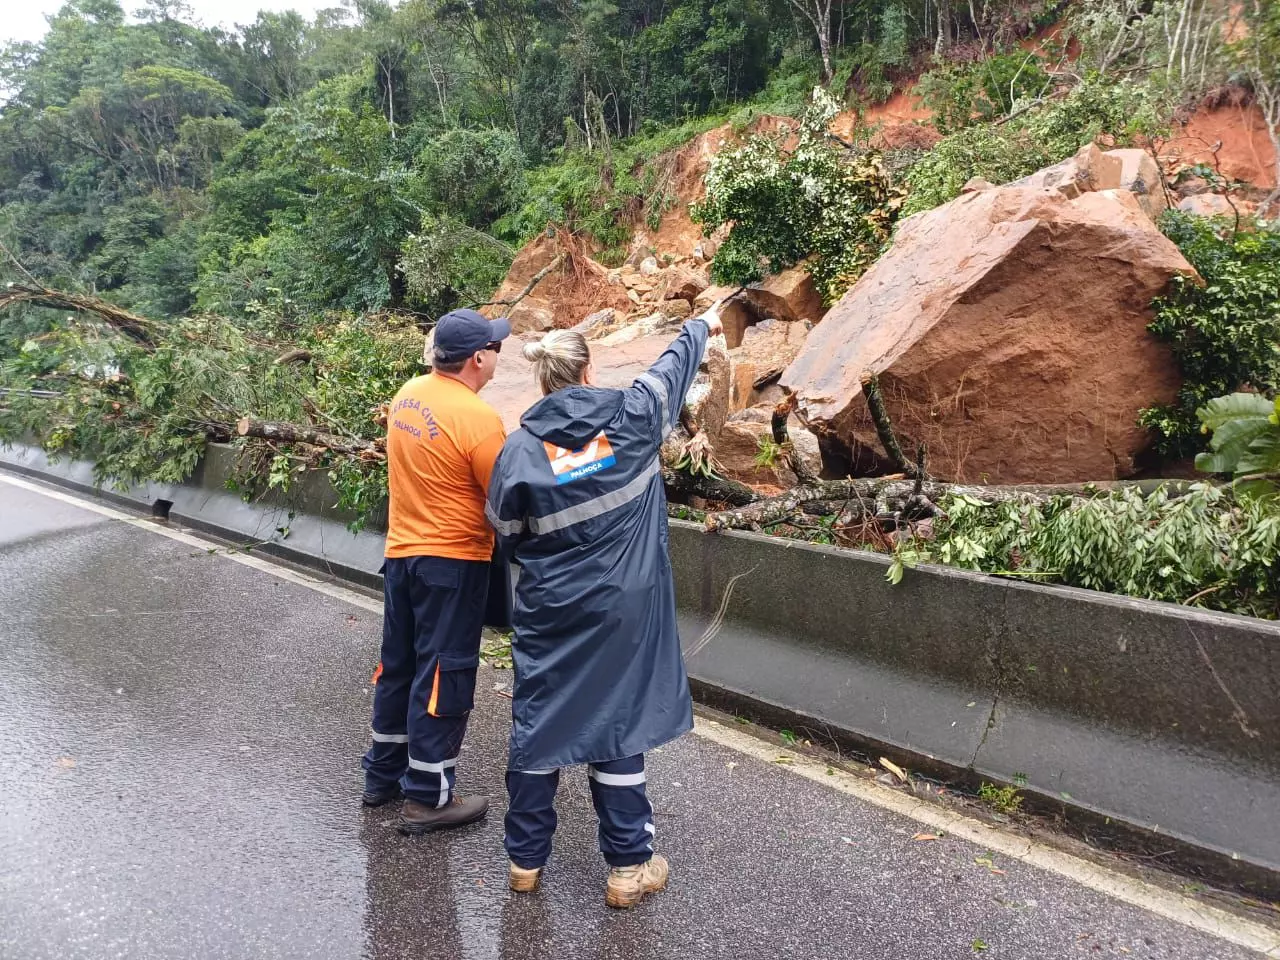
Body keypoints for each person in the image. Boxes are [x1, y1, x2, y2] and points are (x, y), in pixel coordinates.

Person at [485, 303, 725, 908]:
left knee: (540, 722)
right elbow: (669, 370)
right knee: (618, 723)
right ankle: (628, 867)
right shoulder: (633, 420)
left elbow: (506, 534)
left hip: (551, 612)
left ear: (544, 379)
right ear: (588, 370)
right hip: (625, 611)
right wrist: (700, 324)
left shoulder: (518, 452)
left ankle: (524, 862)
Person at [362, 308, 510, 834]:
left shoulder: (408, 394)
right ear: (476, 358)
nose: (498, 353)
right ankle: (429, 795)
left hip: (402, 554)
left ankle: (381, 777)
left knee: (398, 665)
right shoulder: (478, 419)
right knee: (444, 673)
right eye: (494, 347)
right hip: (452, 561)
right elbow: (507, 497)